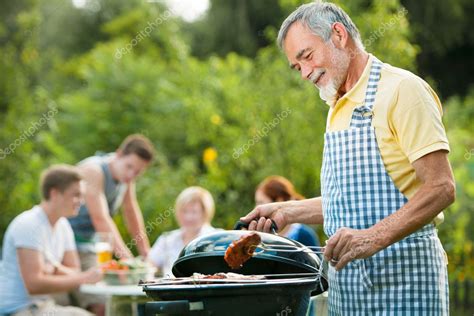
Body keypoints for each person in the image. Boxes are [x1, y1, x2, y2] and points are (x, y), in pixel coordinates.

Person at [240, 2, 455, 314]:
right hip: (349, 292)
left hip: (406, 282)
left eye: (307, 56)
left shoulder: (402, 90)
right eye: (297, 66)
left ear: (338, 35)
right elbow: (351, 203)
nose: (305, 73)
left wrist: (371, 239)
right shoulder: (336, 107)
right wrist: (287, 211)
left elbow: (441, 187)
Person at [67, 134, 154, 313]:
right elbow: (101, 219)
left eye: (137, 171)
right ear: (119, 154)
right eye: (129, 167)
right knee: (95, 304)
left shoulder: (126, 178)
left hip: (88, 246)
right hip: (65, 245)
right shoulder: (94, 171)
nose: (131, 174)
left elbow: (131, 211)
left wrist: (146, 254)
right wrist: (128, 261)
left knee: (109, 304)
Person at [0, 165, 102, 316]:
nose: (81, 201)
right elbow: (34, 285)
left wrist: (54, 268)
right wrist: (84, 278)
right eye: (76, 195)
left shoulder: (63, 225)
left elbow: (74, 270)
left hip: (42, 306)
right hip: (17, 310)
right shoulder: (29, 224)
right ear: (54, 193)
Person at [148, 187, 218, 277]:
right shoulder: (166, 240)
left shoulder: (217, 239)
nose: (188, 217)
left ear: (205, 213)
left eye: (194, 212)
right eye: (184, 211)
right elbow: (148, 268)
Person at [255, 176, 319, 247]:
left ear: (279, 201)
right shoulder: (260, 236)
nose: (257, 208)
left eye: (261, 202)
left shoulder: (304, 235)